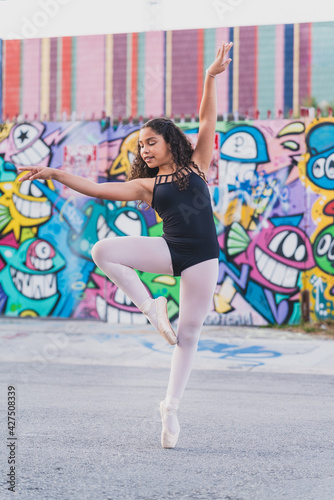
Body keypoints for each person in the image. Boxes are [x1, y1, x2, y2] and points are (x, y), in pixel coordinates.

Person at [18, 41, 232, 449]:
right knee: (103, 250)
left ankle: (170, 408)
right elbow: (95, 187)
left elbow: (207, 119)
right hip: (170, 250)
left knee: (189, 333)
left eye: (151, 142)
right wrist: (55, 173)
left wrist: (209, 76)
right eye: (140, 146)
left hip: (203, 258)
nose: (144, 150)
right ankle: (151, 306)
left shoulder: (198, 165)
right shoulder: (145, 185)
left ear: (170, 140)